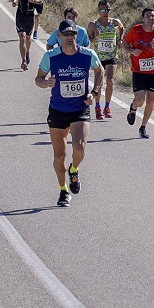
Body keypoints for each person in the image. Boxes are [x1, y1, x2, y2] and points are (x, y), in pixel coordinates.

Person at [35, 19, 104, 207]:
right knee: (59, 155)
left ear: (77, 35)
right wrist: (45, 83)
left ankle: (74, 169)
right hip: (57, 110)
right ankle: (63, 190)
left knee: (80, 147)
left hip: (79, 108)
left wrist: (95, 92)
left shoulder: (87, 54)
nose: (69, 37)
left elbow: (100, 71)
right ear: (59, 36)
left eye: (72, 34)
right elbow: (38, 79)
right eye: (65, 34)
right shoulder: (51, 56)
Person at [122, 7, 154, 139]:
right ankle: (133, 107)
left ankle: (143, 127)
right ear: (143, 18)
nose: (151, 18)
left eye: (153, 16)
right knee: (140, 100)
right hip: (139, 71)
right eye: (148, 16)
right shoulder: (135, 30)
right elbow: (124, 43)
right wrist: (131, 51)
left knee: (150, 100)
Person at [87, 0, 124, 120]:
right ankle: (97, 107)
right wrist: (94, 37)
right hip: (98, 57)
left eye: (108, 10)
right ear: (98, 11)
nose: (105, 12)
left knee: (110, 80)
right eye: (103, 10)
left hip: (112, 56)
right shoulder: (93, 25)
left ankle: (107, 107)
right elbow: (87, 40)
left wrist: (120, 39)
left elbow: (122, 28)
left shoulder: (115, 22)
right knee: (99, 82)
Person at [10, 0, 43, 70]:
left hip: (30, 15)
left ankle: (27, 52)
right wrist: (14, 2)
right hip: (20, 15)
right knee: (22, 36)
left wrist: (34, 1)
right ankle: (23, 60)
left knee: (28, 38)